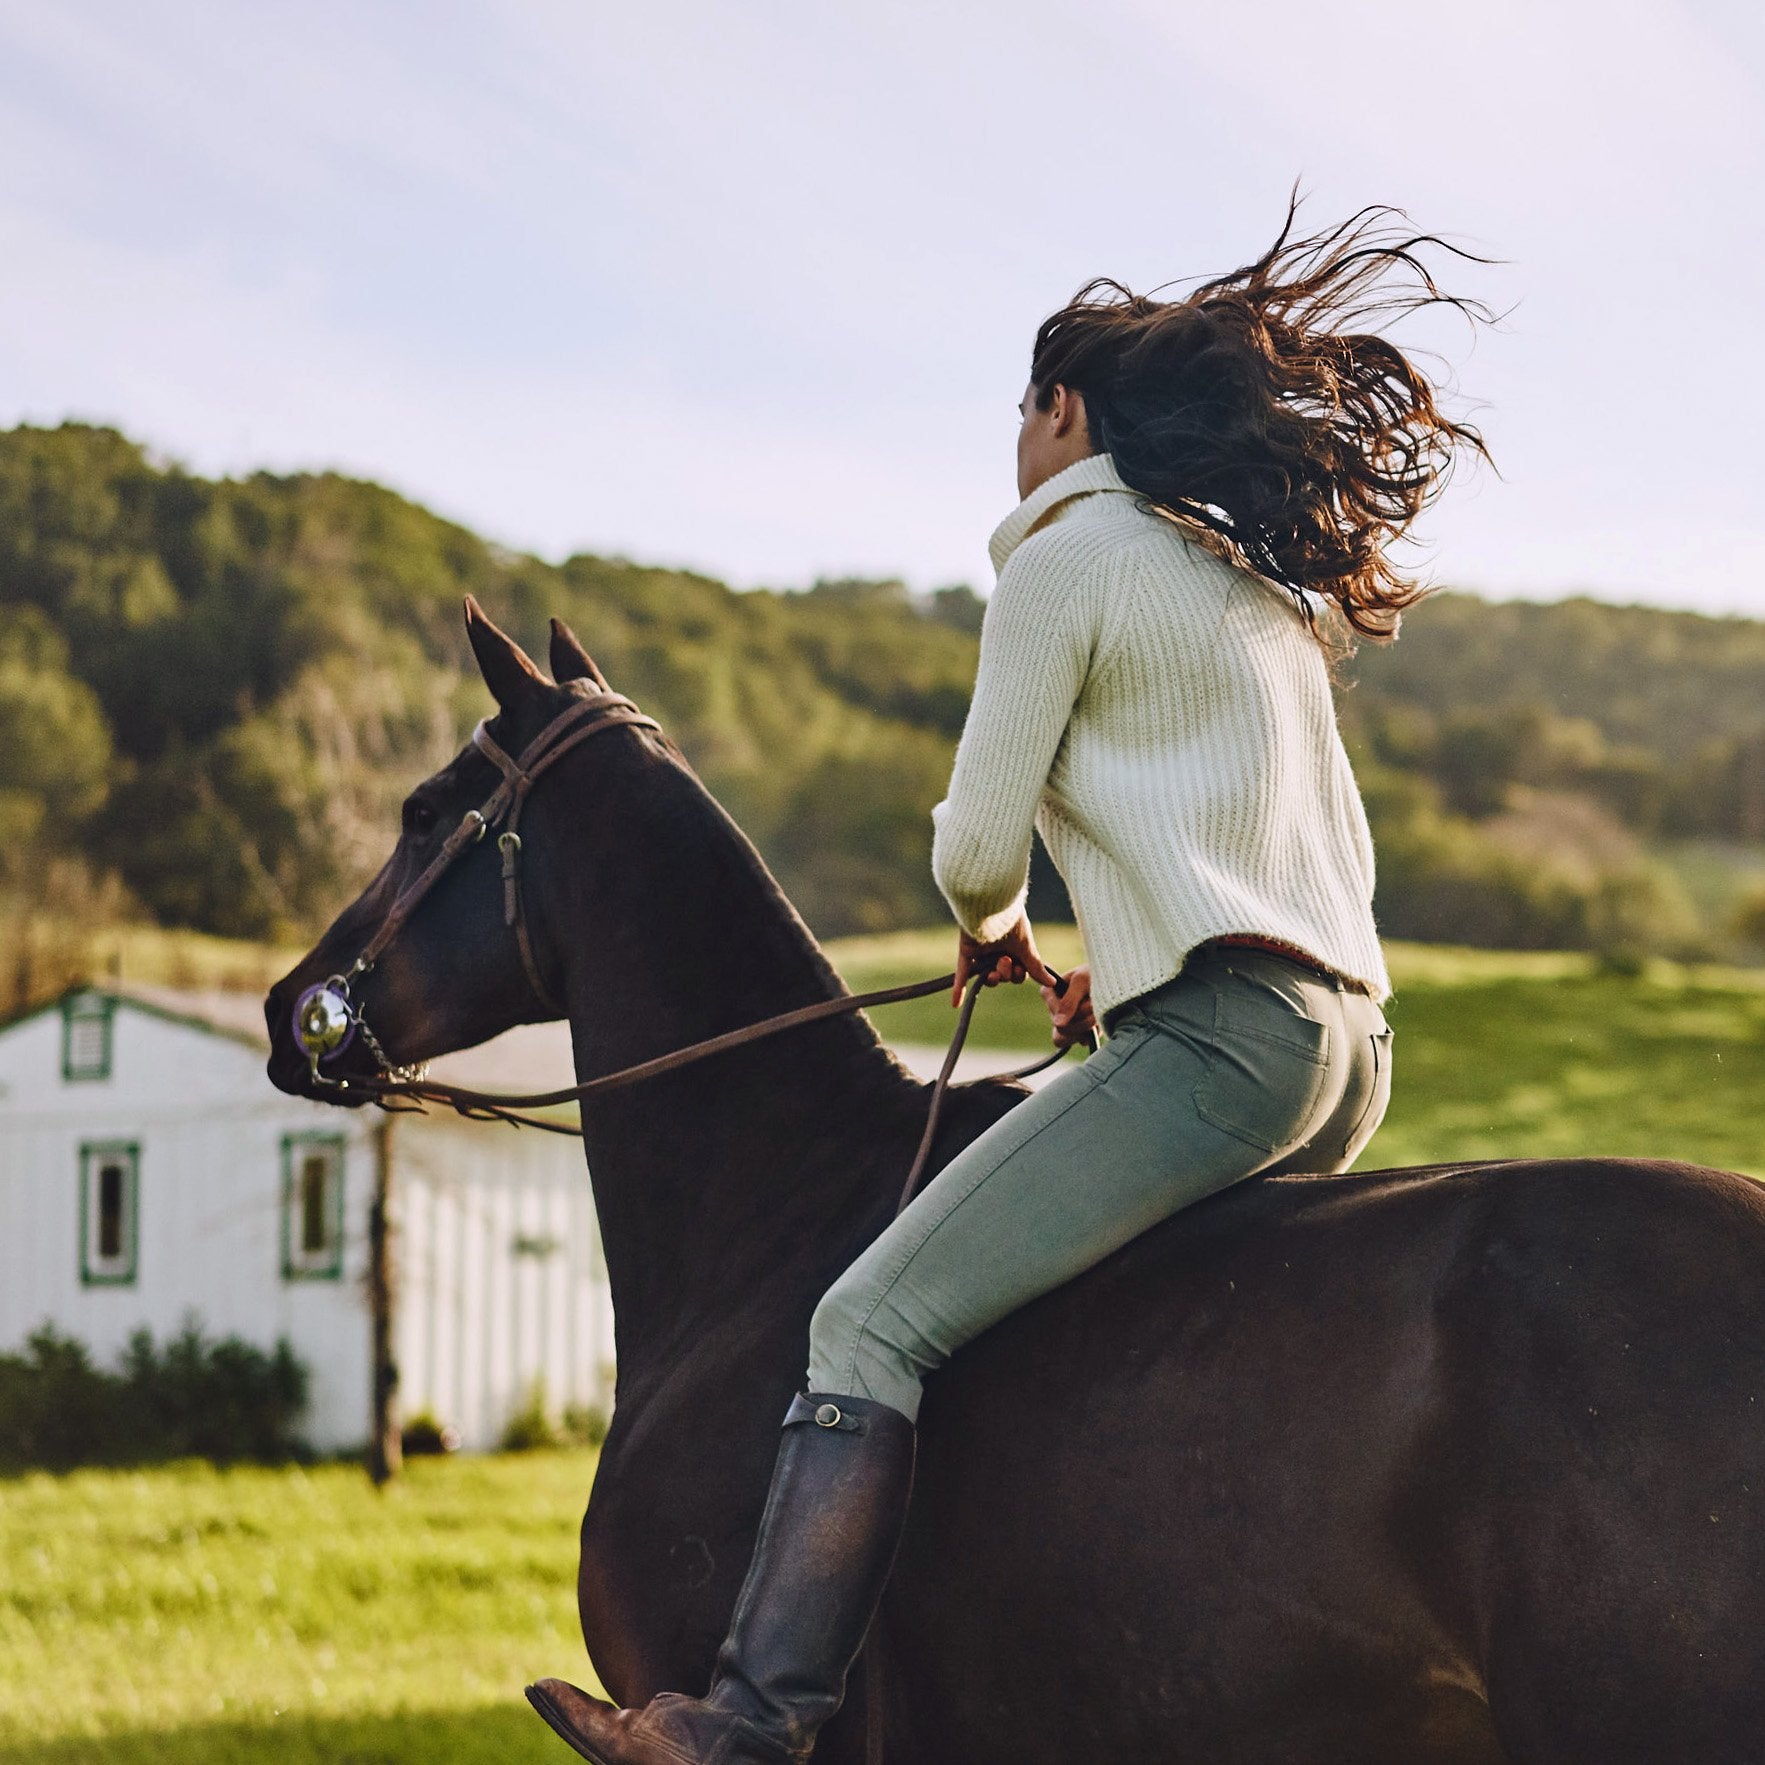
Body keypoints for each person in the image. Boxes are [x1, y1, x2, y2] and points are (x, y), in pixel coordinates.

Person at [526, 202, 1491, 1765]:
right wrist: (1126, 963)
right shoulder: (1248, 583)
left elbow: (976, 836)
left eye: (1018, 413)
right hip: (1345, 1044)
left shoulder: (1064, 556)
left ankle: (751, 1722)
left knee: (865, 1321)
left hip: (1220, 1041)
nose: (1014, 444)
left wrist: (992, 917)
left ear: (1061, 413)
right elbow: (1274, 853)